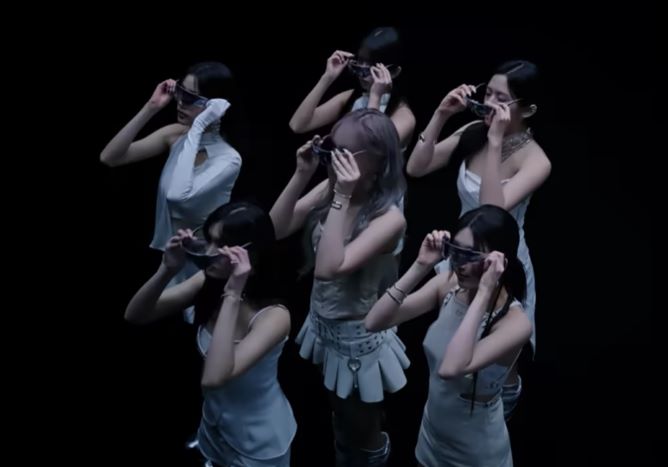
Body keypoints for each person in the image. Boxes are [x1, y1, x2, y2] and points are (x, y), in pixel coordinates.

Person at [406, 60, 551, 416]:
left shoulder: (536, 161)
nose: (489, 104)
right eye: (488, 93)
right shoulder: (474, 130)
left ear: (527, 109)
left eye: (501, 99)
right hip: (463, 250)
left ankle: (498, 410)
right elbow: (416, 167)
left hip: (502, 261)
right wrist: (441, 114)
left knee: (496, 350)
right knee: (454, 335)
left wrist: (496, 141)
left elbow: (491, 211)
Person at [270, 108, 408, 466]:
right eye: (329, 147)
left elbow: (329, 269)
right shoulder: (332, 189)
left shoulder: (389, 218)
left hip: (356, 336)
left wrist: (341, 197)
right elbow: (276, 228)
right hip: (324, 321)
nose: (331, 158)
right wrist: (302, 174)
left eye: (341, 152)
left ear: (376, 162)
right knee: (340, 415)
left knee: (360, 427)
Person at [125, 201, 296, 466]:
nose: (208, 252)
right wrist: (167, 269)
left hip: (259, 439)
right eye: (209, 241)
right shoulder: (210, 282)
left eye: (221, 245)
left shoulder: (274, 317)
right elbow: (136, 315)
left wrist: (233, 293)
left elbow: (214, 377)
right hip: (214, 426)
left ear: (250, 254)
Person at [365, 204, 531, 466]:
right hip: (431, 437)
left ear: (499, 262)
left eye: (472, 255)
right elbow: (374, 321)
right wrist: (420, 266)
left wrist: (485, 292)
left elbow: (451, 368)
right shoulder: (449, 286)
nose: (461, 265)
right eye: (457, 251)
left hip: (476, 453)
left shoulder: (515, 323)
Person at [101, 62, 243, 321]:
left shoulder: (229, 159)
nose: (180, 103)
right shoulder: (176, 136)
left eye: (190, 97)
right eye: (180, 92)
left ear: (216, 105)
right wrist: (151, 107)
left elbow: (177, 195)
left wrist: (198, 127)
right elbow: (111, 157)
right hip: (165, 257)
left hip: (200, 264)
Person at [288, 26, 415, 147]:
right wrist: (327, 78)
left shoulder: (404, 116)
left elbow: (368, 148)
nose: (362, 76)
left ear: (394, 72)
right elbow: (297, 125)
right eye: (360, 63)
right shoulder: (352, 97)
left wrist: (375, 97)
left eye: (372, 68)